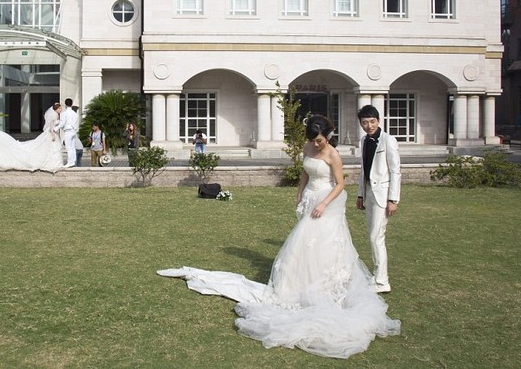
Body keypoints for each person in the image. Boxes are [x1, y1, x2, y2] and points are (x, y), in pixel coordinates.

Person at [159, 115, 400, 358]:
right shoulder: (307, 147)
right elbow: (305, 172)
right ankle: (299, 282)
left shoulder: (333, 154)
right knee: (304, 244)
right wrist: (300, 194)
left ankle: (325, 286)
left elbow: (339, 184)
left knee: (321, 242)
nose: (316, 144)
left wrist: (324, 204)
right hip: (310, 197)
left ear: (327, 136)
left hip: (326, 201)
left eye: (319, 140)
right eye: (312, 140)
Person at [357, 105, 401, 294]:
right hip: (369, 193)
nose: (369, 126)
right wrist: (360, 194)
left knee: (377, 237)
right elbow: (363, 169)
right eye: (365, 123)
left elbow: (395, 171)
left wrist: (393, 199)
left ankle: (382, 281)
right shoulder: (363, 140)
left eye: (372, 122)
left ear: (378, 121)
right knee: (373, 236)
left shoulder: (388, 140)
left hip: (383, 195)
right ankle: (377, 276)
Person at [0, 104, 64, 172]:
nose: (61, 109)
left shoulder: (56, 115)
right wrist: (52, 134)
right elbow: (51, 125)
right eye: (59, 108)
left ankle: (54, 162)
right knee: (51, 148)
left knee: (51, 148)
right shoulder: (54, 115)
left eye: (61, 108)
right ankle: (53, 162)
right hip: (52, 133)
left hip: (53, 133)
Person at [54, 98, 79, 168]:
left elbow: (62, 123)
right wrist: (75, 130)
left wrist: (55, 128)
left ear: (65, 105)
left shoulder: (64, 113)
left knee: (68, 148)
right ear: (71, 104)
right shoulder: (75, 114)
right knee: (73, 147)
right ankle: (73, 161)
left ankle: (70, 162)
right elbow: (76, 123)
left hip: (68, 131)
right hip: (73, 131)